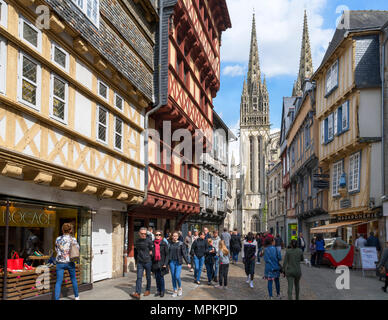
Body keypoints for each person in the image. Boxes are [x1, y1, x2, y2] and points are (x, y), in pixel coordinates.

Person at [54, 223, 80, 300]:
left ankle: (56, 299)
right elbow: (77, 249)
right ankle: (76, 297)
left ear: (62, 230)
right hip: (70, 262)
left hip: (60, 262)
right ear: (70, 230)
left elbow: (56, 249)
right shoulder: (73, 239)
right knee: (73, 279)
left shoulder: (58, 239)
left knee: (58, 282)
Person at [130, 227, 154, 300]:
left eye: (145, 234)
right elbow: (137, 250)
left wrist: (149, 255)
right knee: (139, 277)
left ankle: (148, 290)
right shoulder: (137, 241)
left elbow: (152, 250)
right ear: (139, 233)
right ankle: (138, 293)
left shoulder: (149, 241)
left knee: (148, 277)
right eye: (142, 234)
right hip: (140, 262)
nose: (143, 235)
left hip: (148, 261)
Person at [168, 232, 190, 297]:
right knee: (173, 277)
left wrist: (188, 262)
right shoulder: (170, 244)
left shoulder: (181, 244)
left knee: (177, 276)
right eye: (174, 236)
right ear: (172, 236)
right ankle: (175, 290)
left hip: (178, 262)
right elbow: (167, 254)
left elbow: (184, 254)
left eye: (176, 236)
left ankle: (180, 288)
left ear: (178, 236)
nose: (175, 237)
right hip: (171, 262)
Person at [152, 230, 169, 298]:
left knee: (161, 277)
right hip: (155, 262)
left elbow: (167, 255)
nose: (158, 236)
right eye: (156, 235)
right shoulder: (153, 243)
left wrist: (165, 263)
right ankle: (158, 290)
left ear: (161, 236)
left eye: (159, 235)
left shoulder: (164, 243)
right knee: (156, 277)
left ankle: (162, 291)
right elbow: (151, 253)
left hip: (162, 263)